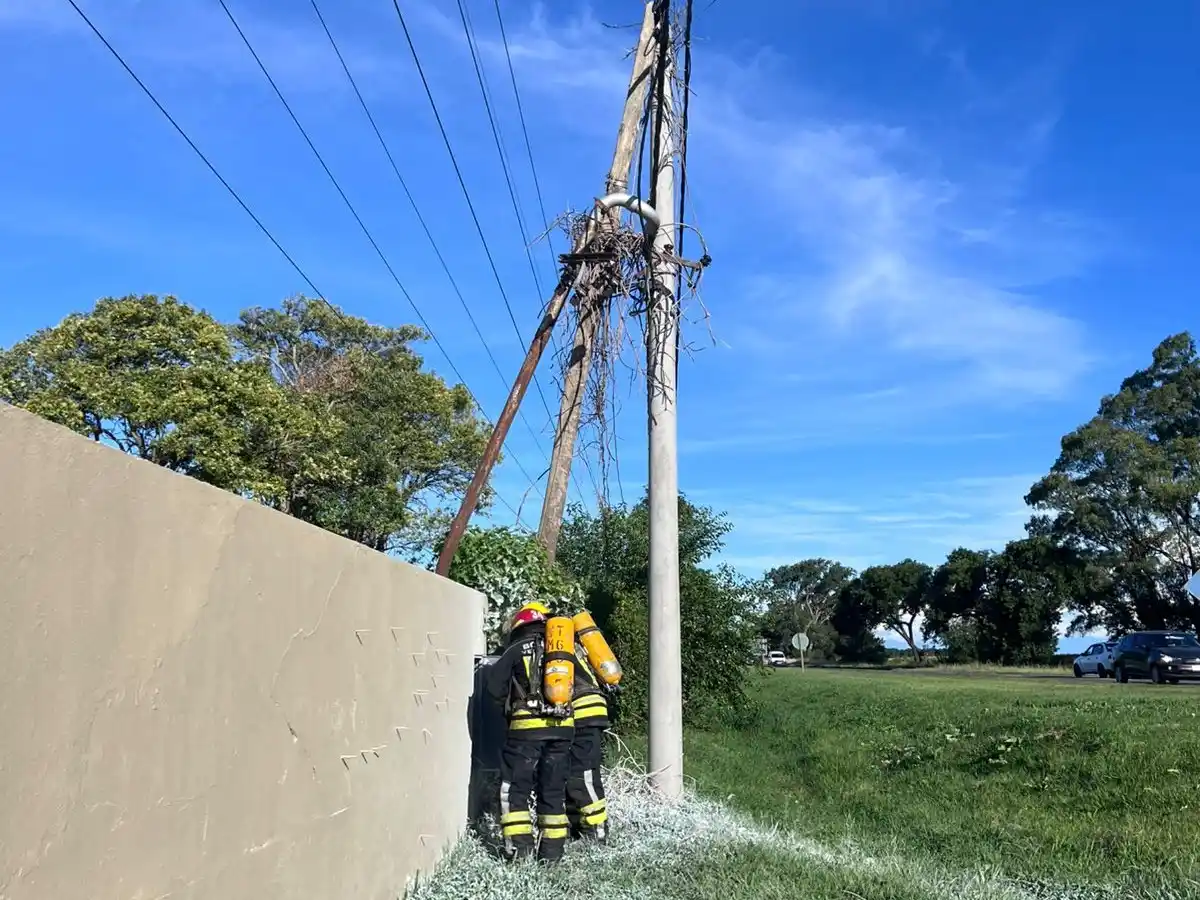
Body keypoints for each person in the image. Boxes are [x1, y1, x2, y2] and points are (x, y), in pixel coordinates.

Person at [484, 600, 574, 863]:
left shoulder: (515, 649)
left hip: (526, 731)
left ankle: (519, 853)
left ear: (520, 624)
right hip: (562, 730)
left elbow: (494, 688)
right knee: (553, 791)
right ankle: (552, 856)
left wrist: (508, 714)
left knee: (514, 789)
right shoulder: (564, 651)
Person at [564, 625, 613, 844]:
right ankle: (580, 827)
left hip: (582, 712)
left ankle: (597, 829)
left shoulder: (552, 646)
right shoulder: (571, 643)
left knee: (583, 773)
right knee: (572, 772)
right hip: (592, 708)